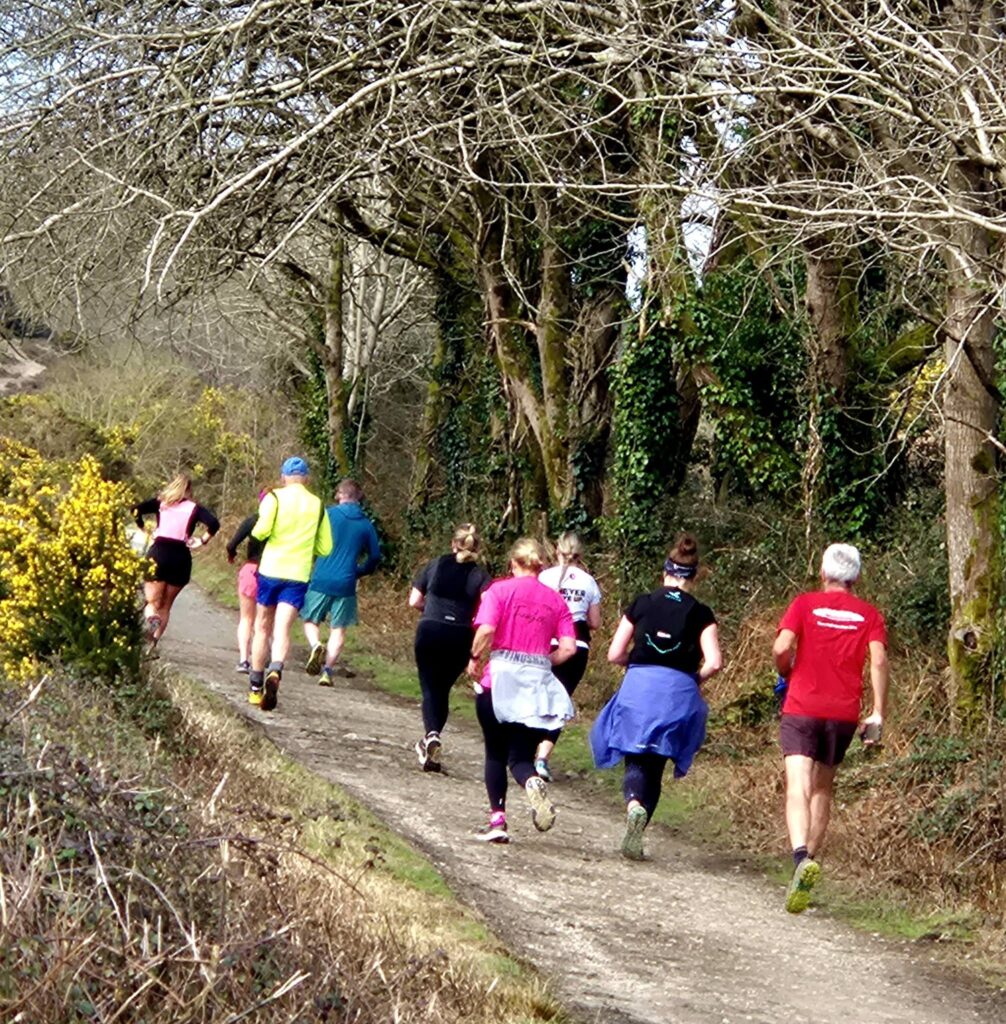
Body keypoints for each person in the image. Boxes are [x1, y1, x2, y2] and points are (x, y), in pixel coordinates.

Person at [590, 533, 721, 861]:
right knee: (658, 762)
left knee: (634, 756)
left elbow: (614, 653)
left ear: (664, 571)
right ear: (694, 576)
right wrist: (694, 680)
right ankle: (641, 822)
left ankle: (633, 804)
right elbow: (715, 662)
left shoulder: (643, 603)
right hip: (678, 693)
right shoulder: (702, 613)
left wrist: (632, 665)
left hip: (640, 686)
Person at [773, 543, 888, 914]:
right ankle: (806, 868)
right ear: (856, 578)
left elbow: (782, 646)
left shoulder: (805, 604)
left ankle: (799, 857)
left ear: (823, 574)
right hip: (842, 713)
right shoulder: (869, 614)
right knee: (823, 787)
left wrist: (785, 669)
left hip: (802, 706)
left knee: (798, 785)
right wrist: (878, 712)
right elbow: (879, 660)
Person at [467, 538, 577, 844]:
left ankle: (498, 821)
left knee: (494, 752)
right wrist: (543, 662)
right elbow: (568, 648)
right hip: (535, 685)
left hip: (499, 681)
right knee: (519, 757)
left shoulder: (498, 591)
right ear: (540, 567)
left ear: (513, 564)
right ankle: (530, 780)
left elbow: (487, 630)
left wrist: (475, 659)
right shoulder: (556, 601)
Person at [248, 457, 332, 710]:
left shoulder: (274, 498)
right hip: (298, 574)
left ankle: (255, 687)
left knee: (262, 627)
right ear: (306, 479)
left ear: (283, 477)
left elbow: (260, 531)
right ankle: (276, 669)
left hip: (271, 569)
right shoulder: (317, 505)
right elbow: (325, 547)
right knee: (282, 629)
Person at [409, 523, 492, 772]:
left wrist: (432, 610)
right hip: (460, 635)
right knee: (442, 690)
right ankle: (430, 741)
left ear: (453, 544)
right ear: (477, 548)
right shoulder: (480, 575)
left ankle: (432, 736)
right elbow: (489, 609)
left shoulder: (435, 565)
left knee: (429, 688)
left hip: (430, 630)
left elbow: (414, 600)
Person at [534, 531, 602, 780]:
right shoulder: (589, 582)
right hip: (577, 646)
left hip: (544, 643)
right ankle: (542, 759)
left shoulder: (544, 577)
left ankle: (523, 750)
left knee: (536, 699)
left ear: (556, 551)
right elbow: (594, 622)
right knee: (559, 705)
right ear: (580, 555)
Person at [302, 478, 381, 685]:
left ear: (340, 495)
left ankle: (315, 645)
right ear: (358, 498)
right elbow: (375, 556)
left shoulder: (327, 515)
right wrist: (360, 571)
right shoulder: (366, 524)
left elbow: (310, 539)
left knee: (310, 620)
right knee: (338, 629)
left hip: (321, 577)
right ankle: (327, 671)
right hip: (346, 581)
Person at [134, 474, 219, 644]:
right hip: (181, 557)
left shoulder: (161, 503)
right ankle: (154, 640)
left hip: (158, 553)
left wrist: (142, 527)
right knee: (166, 605)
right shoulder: (194, 508)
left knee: (152, 601)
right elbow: (214, 523)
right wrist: (202, 540)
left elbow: (136, 509)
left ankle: (151, 617)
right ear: (189, 490)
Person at [225, 491, 267, 673]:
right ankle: (262, 658)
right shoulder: (284, 523)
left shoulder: (253, 520)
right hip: (273, 573)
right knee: (265, 621)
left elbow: (231, 544)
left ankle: (244, 660)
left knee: (246, 618)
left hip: (251, 570)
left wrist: (231, 556)